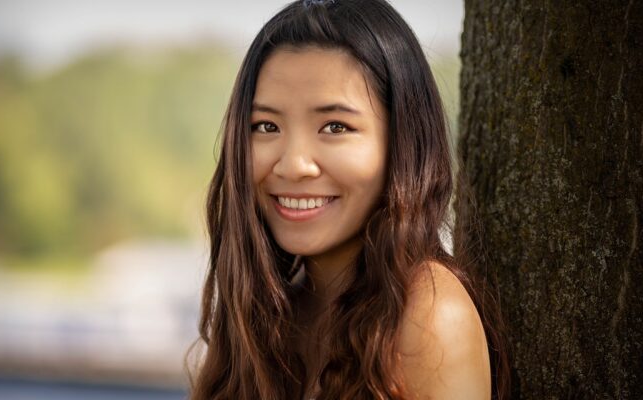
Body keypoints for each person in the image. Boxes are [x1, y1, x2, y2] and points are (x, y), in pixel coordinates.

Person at [188, 0, 509, 399]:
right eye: (266, 125)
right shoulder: (270, 315)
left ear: (402, 142)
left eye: (335, 126)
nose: (293, 165)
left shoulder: (429, 316)